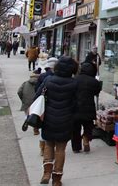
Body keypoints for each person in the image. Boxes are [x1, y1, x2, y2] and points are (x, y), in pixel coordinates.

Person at [34, 56, 78, 186]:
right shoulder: (74, 83)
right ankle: (57, 179)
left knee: (48, 145)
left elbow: (37, 96)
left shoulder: (48, 80)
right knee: (60, 149)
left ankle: (46, 173)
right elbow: (77, 103)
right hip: (66, 120)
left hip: (49, 118)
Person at [71, 62, 101, 153]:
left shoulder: (74, 80)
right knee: (88, 126)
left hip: (75, 107)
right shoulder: (94, 81)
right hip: (89, 107)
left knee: (75, 128)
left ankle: (76, 147)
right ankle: (86, 138)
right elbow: (97, 92)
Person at [18, 70, 42, 138]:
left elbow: (19, 91)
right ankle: (35, 130)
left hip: (27, 101)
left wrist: (23, 99)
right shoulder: (40, 83)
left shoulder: (25, 83)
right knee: (36, 115)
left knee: (28, 113)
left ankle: (27, 119)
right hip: (36, 101)